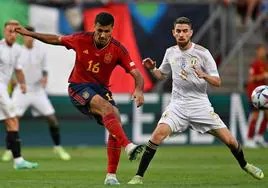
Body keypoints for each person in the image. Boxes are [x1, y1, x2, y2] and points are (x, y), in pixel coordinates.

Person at [128, 17, 264, 185]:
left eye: (185, 31)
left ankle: (245, 165)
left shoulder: (203, 53)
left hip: (200, 105)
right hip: (178, 105)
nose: (181, 34)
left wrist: (204, 75)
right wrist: (152, 69)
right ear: (173, 33)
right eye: (178, 31)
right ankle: (138, 176)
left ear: (191, 33)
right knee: (157, 135)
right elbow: (161, 75)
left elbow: (218, 81)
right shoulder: (170, 52)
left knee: (230, 141)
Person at [14, 12, 144, 185]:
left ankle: (111, 176)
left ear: (112, 29)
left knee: (115, 119)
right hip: (78, 87)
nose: (102, 35)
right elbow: (55, 39)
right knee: (106, 108)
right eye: (99, 30)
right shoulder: (81, 39)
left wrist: (139, 89)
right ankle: (128, 146)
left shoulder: (118, 49)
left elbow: (137, 74)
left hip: (101, 89)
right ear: (94, 27)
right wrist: (30, 34)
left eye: (106, 31)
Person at [1, 26, 71, 162]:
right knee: (12, 120)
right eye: (26, 36)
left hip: (38, 91)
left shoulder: (41, 50)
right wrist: (14, 81)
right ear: (23, 37)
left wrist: (45, 77)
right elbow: (11, 69)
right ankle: (10, 150)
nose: (28, 38)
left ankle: (57, 147)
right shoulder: (18, 51)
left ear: (33, 36)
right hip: (22, 91)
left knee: (52, 119)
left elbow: (45, 69)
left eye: (30, 36)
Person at [0, 20, 39, 169]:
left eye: (15, 31)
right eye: (9, 31)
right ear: (4, 32)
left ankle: (18, 160)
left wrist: (22, 83)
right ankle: (18, 160)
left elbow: (18, 69)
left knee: (11, 122)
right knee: (13, 121)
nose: (12, 34)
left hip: (4, 89)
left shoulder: (17, 50)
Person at [245, 44, 268, 148]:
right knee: (255, 115)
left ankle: (259, 136)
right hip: (255, 94)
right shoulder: (255, 64)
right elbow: (251, 79)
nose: (263, 52)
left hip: (264, 94)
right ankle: (249, 139)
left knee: (267, 114)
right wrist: (262, 76)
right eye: (261, 50)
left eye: (264, 50)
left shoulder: (265, 64)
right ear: (257, 51)